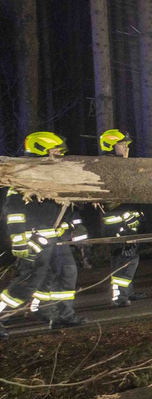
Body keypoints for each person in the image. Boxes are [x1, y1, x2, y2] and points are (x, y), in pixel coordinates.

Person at [1, 132, 89, 331]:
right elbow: (13, 211)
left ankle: (62, 315)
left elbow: (64, 206)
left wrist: (75, 225)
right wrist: (18, 239)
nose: (58, 154)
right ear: (40, 149)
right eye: (54, 150)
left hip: (57, 238)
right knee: (29, 282)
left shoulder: (53, 176)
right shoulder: (24, 176)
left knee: (67, 273)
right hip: (35, 239)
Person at [98, 129, 147, 306]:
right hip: (118, 225)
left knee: (128, 258)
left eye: (127, 145)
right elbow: (110, 201)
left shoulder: (118, 164)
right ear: (110, 145)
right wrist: (127, 218)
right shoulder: (109, 166)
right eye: (122, 144)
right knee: (125, 260)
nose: (126, 148)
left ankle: (127, 291)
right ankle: (118, 296)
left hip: (125, 223)